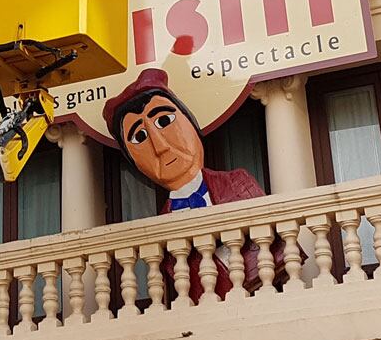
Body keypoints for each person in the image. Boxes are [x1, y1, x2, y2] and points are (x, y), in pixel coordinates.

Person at [105, 69, 265, 299]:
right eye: (139, 137)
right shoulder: (162, 231)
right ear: (135, 163)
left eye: (164, 121)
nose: (160, 146)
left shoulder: (238, 184)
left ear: (191, 122)